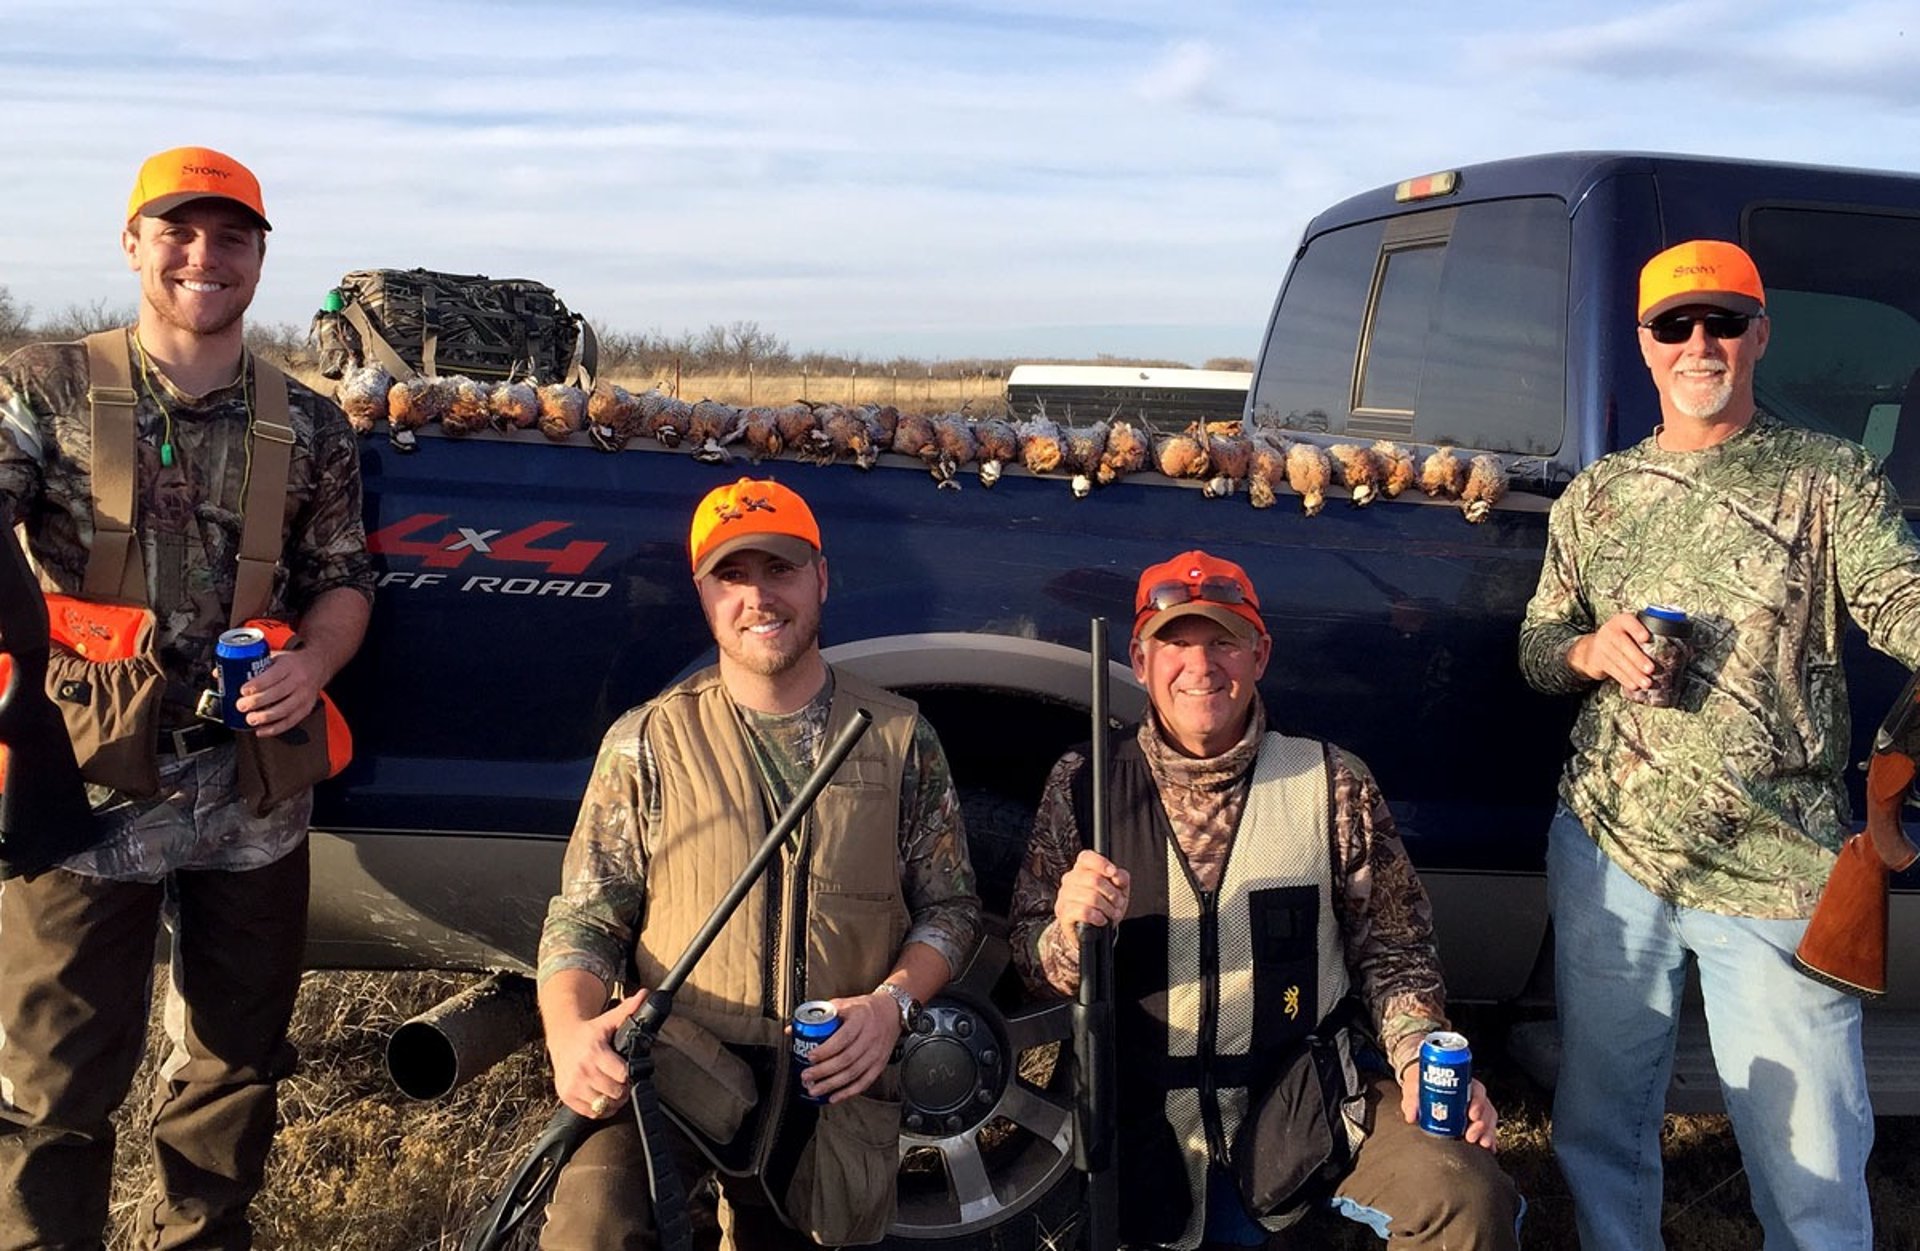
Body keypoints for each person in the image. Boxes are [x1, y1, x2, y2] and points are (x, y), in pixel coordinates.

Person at [0, 147, 374, 1248]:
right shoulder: (43, 385)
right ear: (132, 243)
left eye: (233, 237)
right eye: (179, 231)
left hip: (252, 793)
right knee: (54, 1085)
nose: (205, 257)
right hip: (84, 786)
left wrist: (313, 661)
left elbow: (345, 578)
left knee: (236, 1067)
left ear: (261, 257)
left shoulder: (309, 423)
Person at [1519, 239, 1920, 1250]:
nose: (1701, 344)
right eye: (1676, 325)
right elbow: (1534, 647)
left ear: (1760, 338)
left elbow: (1896, 595)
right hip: (1611, 854)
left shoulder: (1830, 478)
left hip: (1776, 861)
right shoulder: (1597, 495)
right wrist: (1587, 650)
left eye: (1725, 323)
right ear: (1644, 346)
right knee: (1602, 1128)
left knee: (1812, 1158)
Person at [1010, 549, 1522, 1251]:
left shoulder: (1333, 781)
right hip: (1141, 1130)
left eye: (1223, 639)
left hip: (1310, 1109)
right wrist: (1066, 931)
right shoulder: (1082, 785)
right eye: (1175, 641)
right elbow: (1033, 962)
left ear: (1261, 653)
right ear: (1137, 656)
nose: (1201, 664)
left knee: (1464, 1195)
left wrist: (1417, 1054)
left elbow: (1396, 951)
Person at [534, 476, 981, 1249]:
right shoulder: (647, 740)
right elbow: (583, 917)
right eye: (732, 576)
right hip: (674, 1068)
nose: (759, 597)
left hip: (829, 1081)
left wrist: (890, 1007)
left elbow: (953, 909)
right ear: (704, 594)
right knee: (592, 1228)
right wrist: (569, 1032)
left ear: (821, 578)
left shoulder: (901, 737)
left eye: (780, 569)